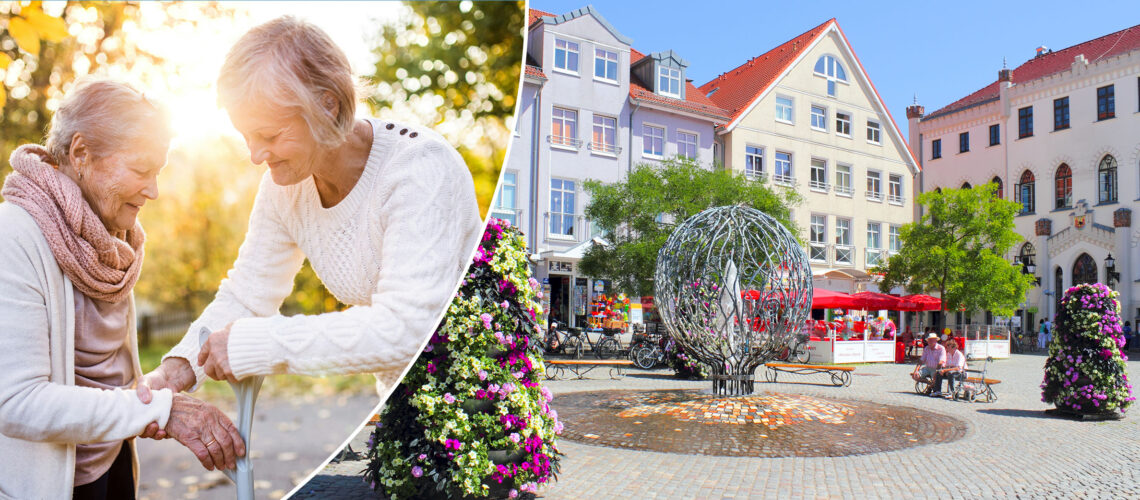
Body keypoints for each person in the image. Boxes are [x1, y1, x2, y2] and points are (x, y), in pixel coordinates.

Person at [142, 17, 483, 407]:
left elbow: (406, 327)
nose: (255, 156)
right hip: (404, 404)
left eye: (269, 136)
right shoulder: (284, 187)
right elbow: (249, 295)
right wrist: (175, 370)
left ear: (326, 104)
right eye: (246, 137)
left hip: (479, 399)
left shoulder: (419, 168)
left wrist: (258, 343)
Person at [0, 78, 244, 499]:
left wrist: (157, 387)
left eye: (159, 172)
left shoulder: (111, 240)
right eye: (140, 169)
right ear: (81, 153)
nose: (153, 190)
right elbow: (17, 401)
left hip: (112, 467)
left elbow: (112, 374)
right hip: (47, 485)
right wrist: (160, 411)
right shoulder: (14, 238)